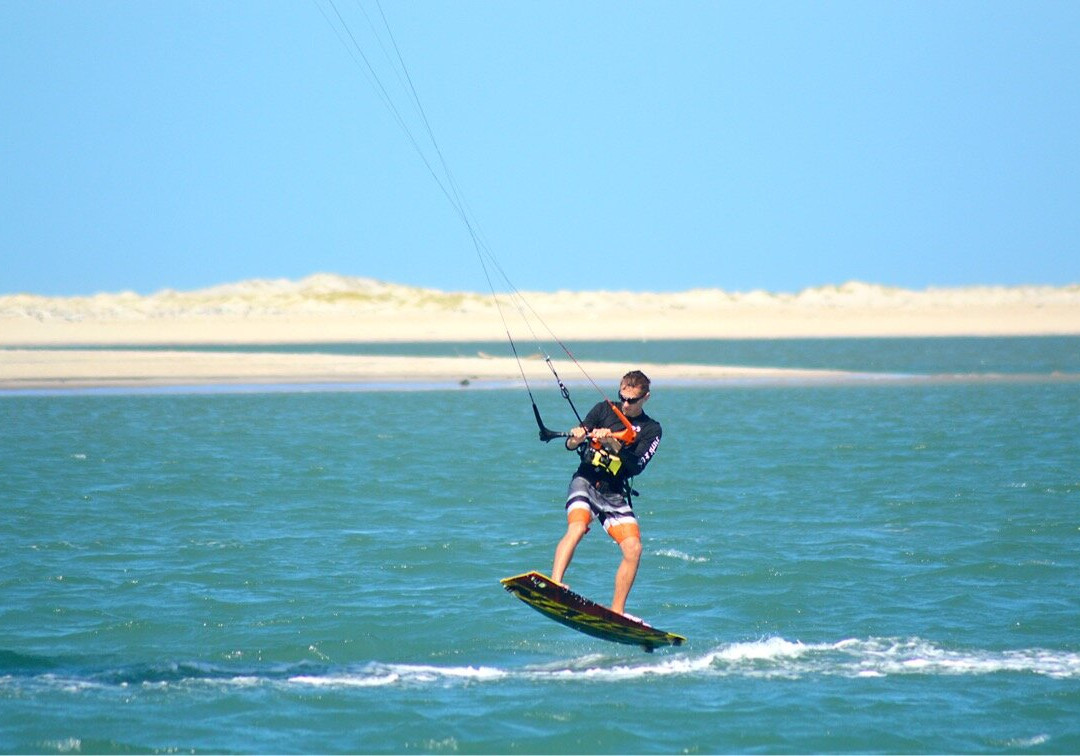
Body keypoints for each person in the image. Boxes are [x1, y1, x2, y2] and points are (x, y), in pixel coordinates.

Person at [552, 370, 662, 616]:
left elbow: (636, 466)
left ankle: (617, 611)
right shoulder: (603, 409)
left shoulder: (651, 429)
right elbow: (570, 445)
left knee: (634, 549)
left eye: (631, 400)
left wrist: (614, 444)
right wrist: (577, 437)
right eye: (622, 397)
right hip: (586, 481)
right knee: (577, 527)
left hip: (614, 493)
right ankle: (556, 583)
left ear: (646, 397)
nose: (625, 404)